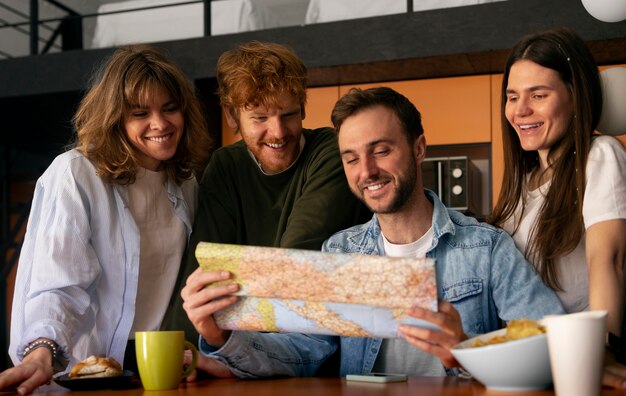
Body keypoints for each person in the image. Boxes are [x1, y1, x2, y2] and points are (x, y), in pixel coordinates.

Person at [179, 86, 565, 378]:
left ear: (418, 148)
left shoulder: (487, 248)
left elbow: (554, 349)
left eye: (381, 151)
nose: (366, 171)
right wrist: (220, 337)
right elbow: (302, 352)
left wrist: (466, 349)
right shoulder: (340, 253)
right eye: (351, 158)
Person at [0, 44, 214, 395]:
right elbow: (58, 284)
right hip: (82, 374)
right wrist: (42, 351)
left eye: (170, 108)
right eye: (140, 113)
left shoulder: (185, 181)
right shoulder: (75, 173)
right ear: (116, 117)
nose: (160, 123)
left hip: (155, 372)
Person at [161, 41, 368, 374]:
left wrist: (235, 286)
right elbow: (204, 271)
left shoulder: (331, 150)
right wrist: (183, 358)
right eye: (260, 118)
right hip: (238, 360)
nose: (278, 132)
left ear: (302, 108)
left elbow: (293, 268)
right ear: (231, 116)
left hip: (319, 364)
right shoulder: (226, 165)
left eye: (288, 114)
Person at [488, 26, 626, 387]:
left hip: (577, 366)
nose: (521, 110)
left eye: (538, 94)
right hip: (532, 365)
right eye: (512, 96)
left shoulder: (601, 156)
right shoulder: (521, 183)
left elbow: (606, 260)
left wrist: (599, 355)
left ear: (575, 95)